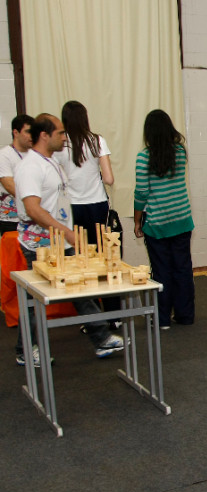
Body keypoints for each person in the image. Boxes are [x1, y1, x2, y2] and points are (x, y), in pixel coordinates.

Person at [13, 114, 124, 365]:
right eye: (61, 133)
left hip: (60, 240)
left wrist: (67, 232)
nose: (65, 137)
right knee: (34, 300)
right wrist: (66, 231)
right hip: (39, 245)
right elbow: (33, 208)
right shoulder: (31, 167)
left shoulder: (51, 162)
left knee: (79, 288)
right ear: (45, 135)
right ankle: (25, 349)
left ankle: (101, 337)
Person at [57, 100, 120, 321]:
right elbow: (109, 178)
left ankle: (90, 318)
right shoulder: (96, 140)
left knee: (80, 261)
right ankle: (114, 315)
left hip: (72, 209)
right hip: (97, 206)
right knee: (104, 258)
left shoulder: (61, 145)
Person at [133, 110, 195, 329]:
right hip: (182, 220)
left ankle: (161, 320)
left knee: (161, 271)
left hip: (157, 224)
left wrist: (137, 221)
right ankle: (185, 315)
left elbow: (141, 193)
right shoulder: (179, 151)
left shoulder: (144, 158)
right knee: (182, 269)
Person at [0, 114, 34, 235]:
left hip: (34, 218)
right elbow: (10, 186)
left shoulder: (35, 154)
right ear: (16, 132)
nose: (32, 136)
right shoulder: (4, 155)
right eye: (28, 132)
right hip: (12, 219)